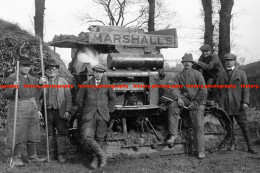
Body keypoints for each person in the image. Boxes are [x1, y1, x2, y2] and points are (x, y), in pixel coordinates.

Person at [4, 56, 46, 166]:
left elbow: (36, 94)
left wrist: (40, 85)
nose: (27, 68)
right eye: (24, 66)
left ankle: (32, 157)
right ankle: (16, 158)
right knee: (17, 132)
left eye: (28, 66)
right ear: (19, 66)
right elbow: (6, 95)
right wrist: (13, 88)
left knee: (32, 132)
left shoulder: (32, 78)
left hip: (32, 106)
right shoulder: (12, 78)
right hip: (18, 106)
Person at [166, 53, 208, 159]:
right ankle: (173, 134)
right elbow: (174, 88)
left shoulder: (197, 74)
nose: (187, 64)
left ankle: (200, 150)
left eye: (189, 62)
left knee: (198, 124)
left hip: (198, 101)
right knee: (172, 106)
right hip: (185, 100)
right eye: (185, 62)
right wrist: (178, 98)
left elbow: (203, 90)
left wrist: (196, 102)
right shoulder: (179, 76)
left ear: (192, 64)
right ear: (183, 64)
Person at [215, 54, 257, 154]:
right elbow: (216, 89)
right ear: (225, 62)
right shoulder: (222, 74)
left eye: (231, 60)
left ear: (234, 61)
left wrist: (245, 102)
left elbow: (246, 89)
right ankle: (233, 144)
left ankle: (250, 147)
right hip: (225, 105)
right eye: (227, 60)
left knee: (244, 126)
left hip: (238, 105)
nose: (229, 62)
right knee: (229, 126)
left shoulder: (241, 73)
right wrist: (219, 101)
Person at [76, 64, 116, 169]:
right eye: (96, 71)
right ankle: (102, 155)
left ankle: (95, 160)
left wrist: (108, 110)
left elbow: (113, 99)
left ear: (103, 73)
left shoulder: (107, 85)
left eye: (100, 72)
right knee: (86, 136)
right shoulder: (86, 84)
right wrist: (84, 110)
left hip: (102, 115)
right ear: (93, 72)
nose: (98, 74)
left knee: (99, 137)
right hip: (89, 114)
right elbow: (79, 99)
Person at [40, 58, 72, 163]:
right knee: (50, 133)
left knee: (62, 133)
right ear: (46, 71)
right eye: (49, 69)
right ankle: (52, 153)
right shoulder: (43, 82)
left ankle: (61, 154)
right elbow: (38, 96)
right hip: (48, 111)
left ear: (57, 71)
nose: (51, 71)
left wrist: (68, 110)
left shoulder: (63, 82)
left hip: (61, 111)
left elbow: (69, 98)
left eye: (54, 69)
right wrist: (40, 85)